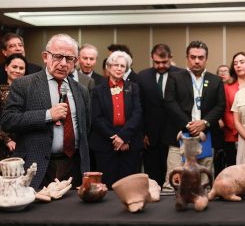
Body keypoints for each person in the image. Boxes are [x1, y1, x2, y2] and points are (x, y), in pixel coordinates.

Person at [0, 34, 91, 189]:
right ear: (45, 57)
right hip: (38, 166)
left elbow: (86, 127)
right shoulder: (24, 84)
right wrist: (47, 115)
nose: (63, 63)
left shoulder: (81, 90)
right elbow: (8, 120)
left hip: (74, 166)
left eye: (69, 59)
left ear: (75, 62)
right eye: (58, 57)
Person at [163, 41, 225, 190]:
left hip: (205, 136)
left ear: (206, 59)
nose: (197, 61)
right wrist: (189, 125)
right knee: (173, 182)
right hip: (179, 136)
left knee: (204, 183)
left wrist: (204, 123)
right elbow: (170, 103)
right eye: (193, 57)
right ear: (187, 58)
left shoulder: (215, 80)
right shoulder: (175, 77)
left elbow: (220, 106)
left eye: (201, 57)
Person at [90, 51, 142, 189]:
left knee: (129, 185)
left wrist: (124, 137)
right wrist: (116, 138)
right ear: (108, 67)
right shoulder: (97, 90)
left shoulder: (133, 88)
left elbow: (137, 114)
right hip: (105, 144)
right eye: (116, 65)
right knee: (107, 185)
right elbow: (96, 117)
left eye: (123, 66)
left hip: (129, 144)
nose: (119, 68)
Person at [137, 44, 181, 187]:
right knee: (153, 176)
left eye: (164, 62)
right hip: (151, 136)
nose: (161, 65)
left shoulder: (181, 75)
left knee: (175, 177)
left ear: (171, 58)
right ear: (152, 59)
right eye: (157, 62)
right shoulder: (142, 76)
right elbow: (139, 107)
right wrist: (143, 132)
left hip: (174, 134)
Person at [222, 52, 245, 167]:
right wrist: (241, 132)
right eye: (235, 63)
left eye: (242, 62)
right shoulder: (227, 87)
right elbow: (226, 112)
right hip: (233, 136)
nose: (238, 65)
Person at [0, 53, 27, 160]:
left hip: (26, 143)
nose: (18, 71)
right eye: (14, 67)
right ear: (6, 67)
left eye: (21, 68)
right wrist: (7, 140)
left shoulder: (29, 92)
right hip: (4, 145)